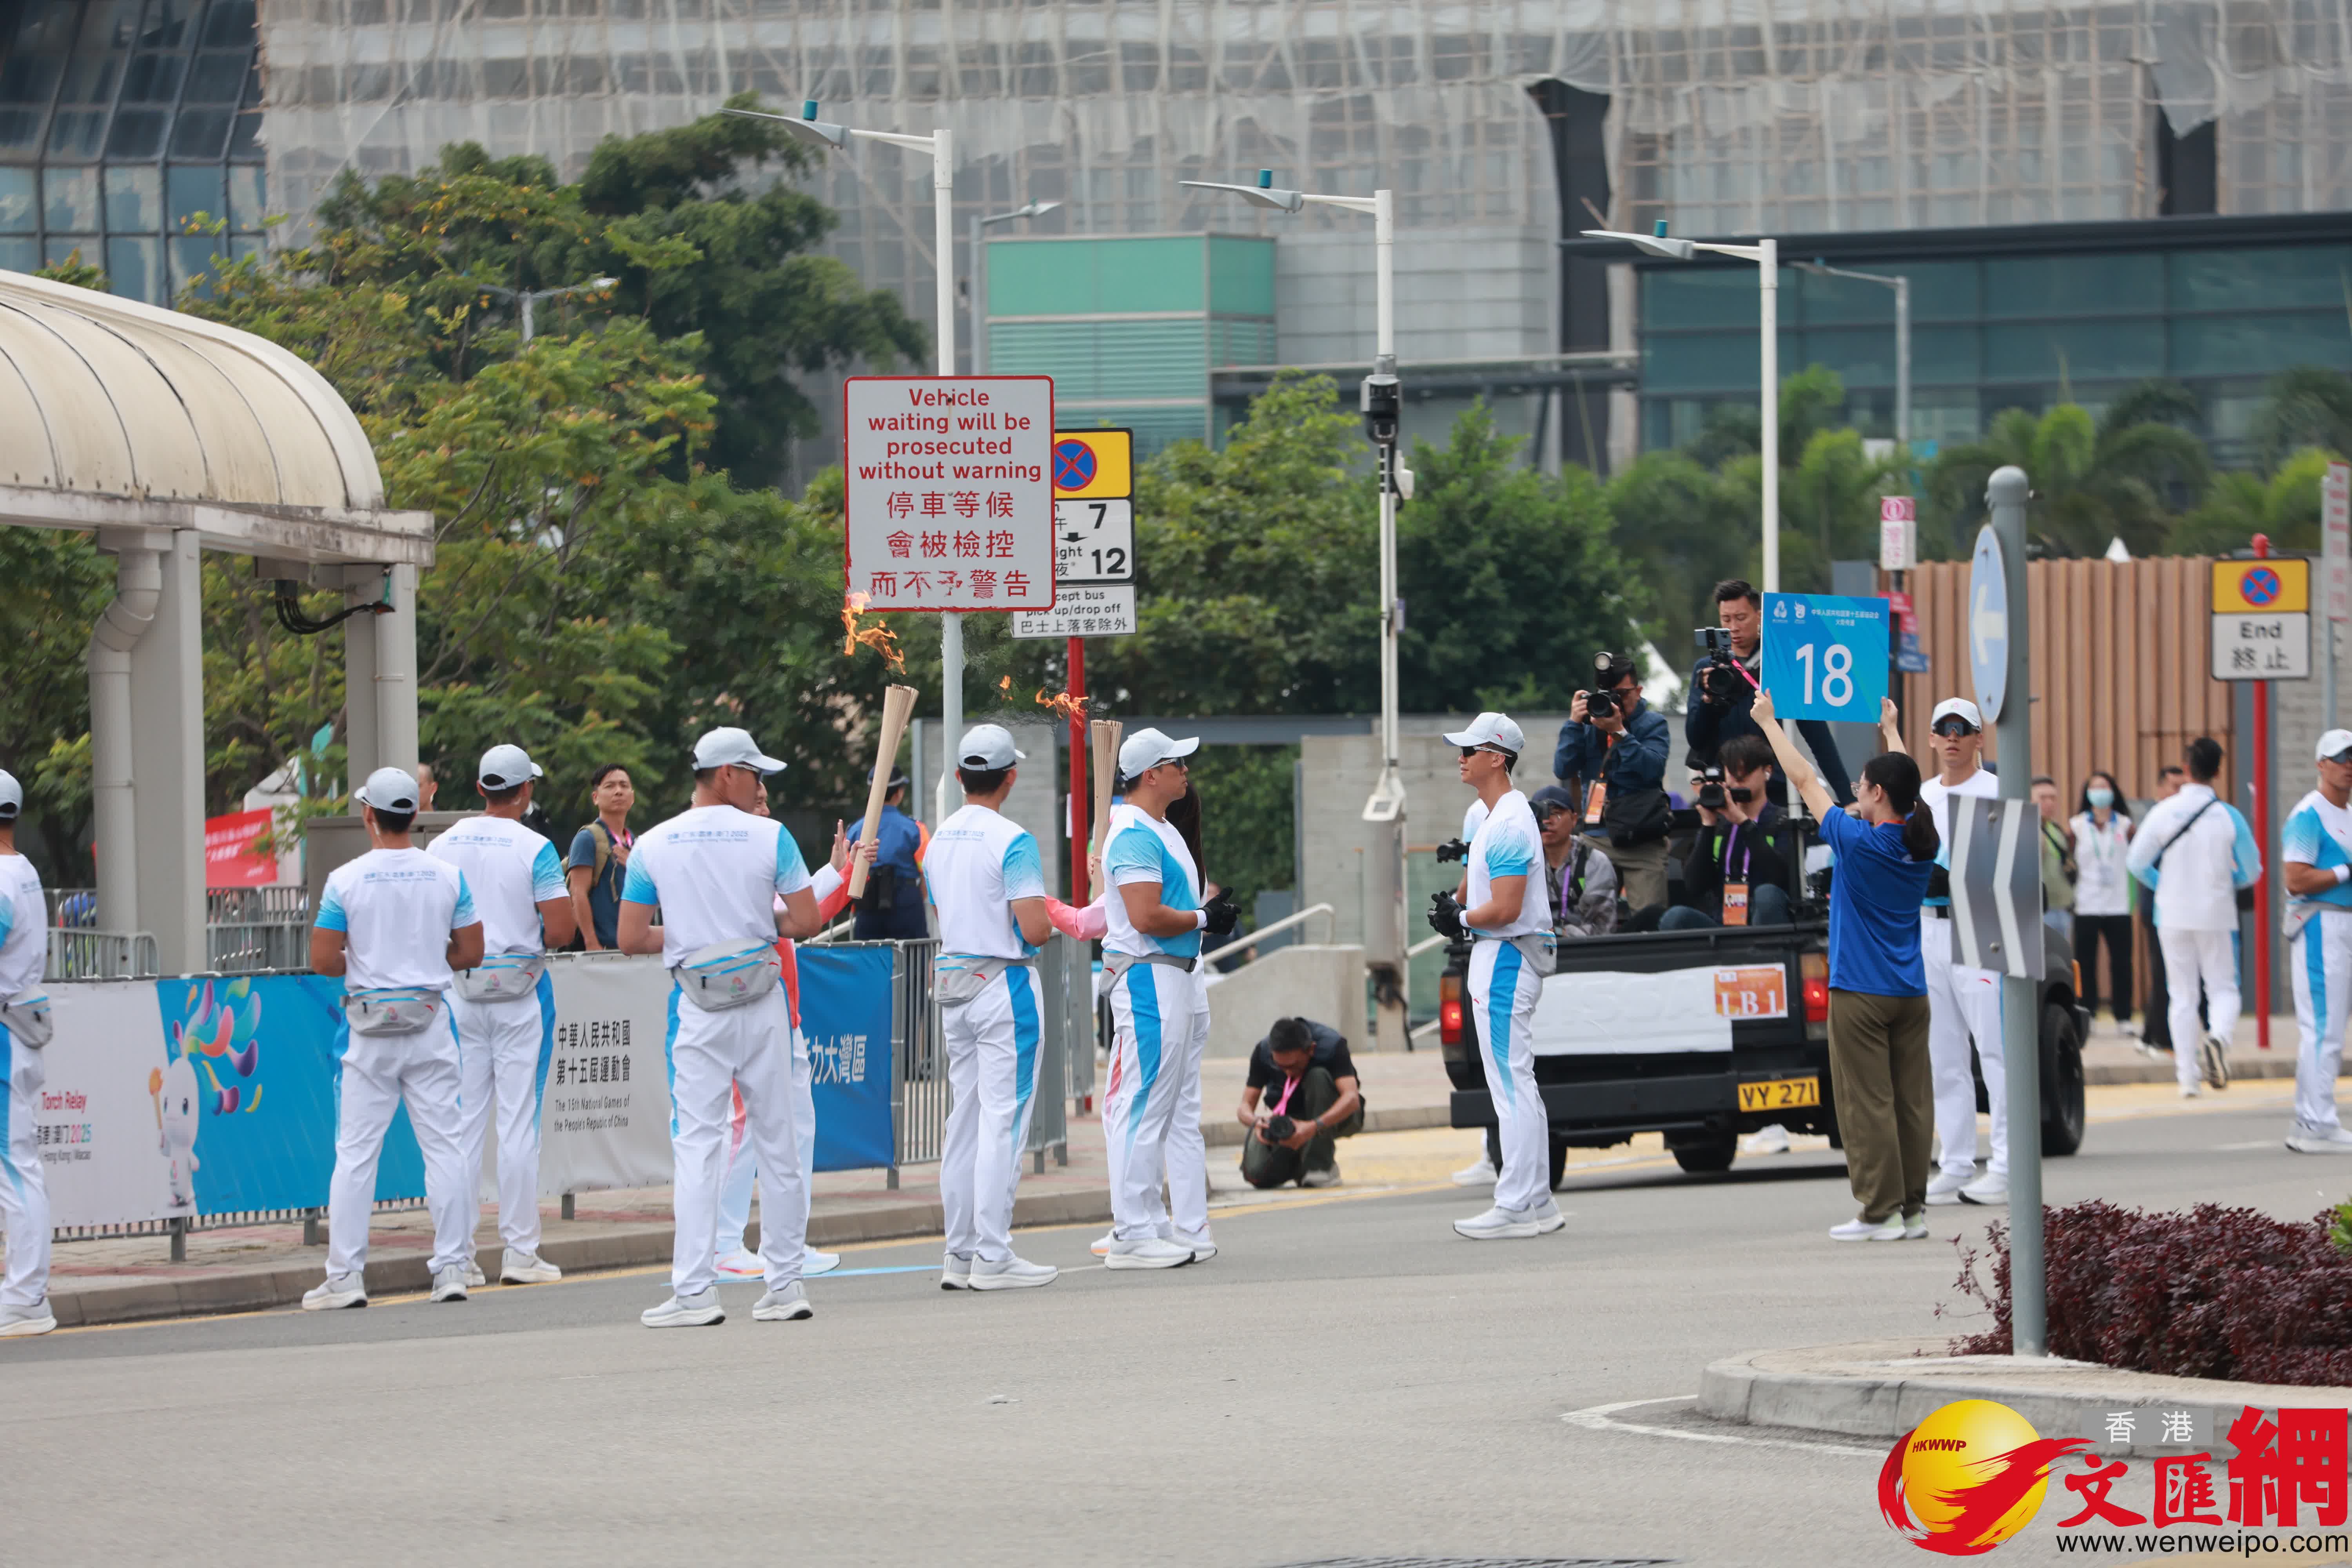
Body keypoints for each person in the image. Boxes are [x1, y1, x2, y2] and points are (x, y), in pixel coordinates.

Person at [619, 726, 824, 1327]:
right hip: (763, 1001)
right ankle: (786, 1286)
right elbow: (806, 920)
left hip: (697, 1006)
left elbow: (631, 937)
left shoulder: (654, 844)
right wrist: (756, 926)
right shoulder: (772, 836)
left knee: (699, 1145)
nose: (762, 784)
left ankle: (694, 1292)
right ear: (728, 773)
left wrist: (689, 938)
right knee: (778, 1142)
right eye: (756, 774)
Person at [1750, 690, 1937, 1242]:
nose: (1854, 790)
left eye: (1861, 784)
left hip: (1860, 990)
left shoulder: (1859, 843)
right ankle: (1913, 1210)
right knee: (1910, 1103)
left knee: (1866, 1105)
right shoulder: (1922, 839)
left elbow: (1805, 779)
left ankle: (1877, 1212)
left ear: (1878, 794)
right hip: (1910, 990)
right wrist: (1892, 734)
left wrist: (1769, 725)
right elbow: (1910, 787)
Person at [303, 767, 485, 1310]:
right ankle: (452, 1266)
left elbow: (322, 961)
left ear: (369, 816)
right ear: (414, 815)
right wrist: (432, 958)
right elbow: (472, 952)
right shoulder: (447, 876)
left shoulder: (346, 880)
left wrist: (359, 957)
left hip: (368, 1033)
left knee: (357, 1155)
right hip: (430, 1023)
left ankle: (346, 1277)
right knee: (446, 1148)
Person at [426, 744, 576, 1288]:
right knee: (517, 1125)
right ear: (526, 790)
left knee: (463, 1128)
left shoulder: (442, 844)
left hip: (461, 994)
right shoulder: (534, 848)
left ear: (482, 786)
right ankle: (520, 1252)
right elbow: (561, 932)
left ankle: (459, 1256)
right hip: (520, 996)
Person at [1099, 728, 1236, 1269]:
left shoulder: (1162, 829)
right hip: (1148, 978)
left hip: (1178, 975)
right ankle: (1131, 1231)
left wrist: (1207, 918)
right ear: (1151, 774)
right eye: (1177, 763)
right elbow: (1146, 917)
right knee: (1140, 1104)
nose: (1187, 770)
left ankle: (1159, 1223)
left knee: (1167, 1107)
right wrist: (1206, 918)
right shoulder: (1133, 833)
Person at [929, 725, 1059, 1290]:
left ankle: (959, 1256)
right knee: (1003, 1122)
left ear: (959, 777)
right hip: (1005, 986)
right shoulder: (1013, 840)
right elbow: (1034, 926)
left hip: (955, 986)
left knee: (966, 1122)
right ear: (1010, 777)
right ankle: (994, 1255)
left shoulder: (936, 840)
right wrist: (1049, 925)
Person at [714, 793, 861, 1281]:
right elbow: (773, 912)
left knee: (797, 1131)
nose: (765, 808)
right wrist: (833, 875)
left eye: (767, 801)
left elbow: (802, 916)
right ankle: (722, 1244)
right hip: (747, 1010)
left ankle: (788, 1244)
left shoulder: (770, 849)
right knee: (745, 1130)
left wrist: (839, 873)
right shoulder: (734, 854)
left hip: (786, 1017)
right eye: (755, 800)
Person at [1433, 711, 1564, 1241]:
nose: (1461, 757)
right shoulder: (1495, 816)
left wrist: (1459, 918)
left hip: (1507, 954)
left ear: (1497, 757)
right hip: (1504, 955)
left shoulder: (1509, 820)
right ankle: (1537, 1201)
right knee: (1519, 1084)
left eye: (1471, 749)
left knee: (1511, 1085)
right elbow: (1480, 892)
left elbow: (1506, 908)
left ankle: (1515, 1205)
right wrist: (1456, 905)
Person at [1905, 696, 2007, 1208]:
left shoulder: (1997, 791)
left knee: (1994, 1049)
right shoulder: (1921, 795)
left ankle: (2008, 1165)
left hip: (1981, 925)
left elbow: (2012, 868)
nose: (1951, 737)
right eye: (1942, 729)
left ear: (1977, 739)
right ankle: (1957, 1162)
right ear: (1930, 738)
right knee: (1944, 1055)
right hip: (1929, 929)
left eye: (1961, 729)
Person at [2127, 737, 2260, 1099]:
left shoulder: (2163, 811)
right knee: (2222, 988)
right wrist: (2226, 881)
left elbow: (2136, 862)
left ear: (2186, 769)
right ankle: (2218, 1038)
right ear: (2218, 771)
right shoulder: (2228, 815)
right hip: (2217, 912)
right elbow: (2253, 871)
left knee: (2181, 994)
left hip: (2170, 913)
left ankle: (2187, 1078)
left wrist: (2164, 882)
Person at [1686, 577, 1855, 804]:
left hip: (1774, 789)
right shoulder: (1708, 669)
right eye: (1726, 619)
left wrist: (1847, 798)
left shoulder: (1783, 665)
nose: (1733, 627)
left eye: (1741, 618)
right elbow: (1695, 739)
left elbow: (1819, 739)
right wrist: (1709, 699)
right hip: (1725, 789)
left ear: (1759, 615)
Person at [1553, 651, 1673, 912]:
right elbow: (1563, 769)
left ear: (1639, 691)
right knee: (1587, 920)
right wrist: (1574, 723)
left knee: (1649, 922)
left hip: (1642, 837)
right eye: (1608, 694)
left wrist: (1619, 732)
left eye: (1622, 695)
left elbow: (1652, 770)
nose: (1614, 703)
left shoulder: (1653, 724)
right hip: (1596, 835)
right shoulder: (1587, 724)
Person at [0, 771, 55, 1336]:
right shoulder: (24, 871)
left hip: (4, 1038)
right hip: (19, 1027)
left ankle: (26, 1296)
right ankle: (23, 1289)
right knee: (16, 1167)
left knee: (16, 1168)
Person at [2282, 730, 2352, 1154]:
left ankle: (2316, 1119)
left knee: (2332, 1028)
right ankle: (2314, 1122)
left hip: (2344, 924)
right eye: (2340, 757)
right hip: (2320, 925)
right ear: (2320, 764)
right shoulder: (2309, 814)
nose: (2348, 764)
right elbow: (2295, 878)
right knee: (2322, 1026)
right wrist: (2345, 871)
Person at [1661, 735, 1795, 931]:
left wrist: (1743, 822)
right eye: (1733, 773)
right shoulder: (1720, 824)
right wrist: (1708, 825)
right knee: (1675, 917)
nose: (1739, 781)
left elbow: (1781, 878)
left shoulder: (1782, 820)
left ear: (1767, 771)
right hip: (1723, 922)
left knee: (1767, 894)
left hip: (1766, 924)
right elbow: (1695, 886)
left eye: (1746, 773)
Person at [1237, 1017, 1364, 1189]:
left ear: (1311, 1050)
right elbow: (1245, 1107)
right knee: (1257, 1174)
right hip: (1291, 1119)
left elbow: (1352, 1099)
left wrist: (1313, 1126)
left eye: (1294, 1066)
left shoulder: (1332, 1046)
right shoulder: (1263, 1052)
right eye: (1281, 1067)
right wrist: (1256, 1122)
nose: (1288, 1073)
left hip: (1332, 1115)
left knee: (1318, 1076)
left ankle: (1320, 1166)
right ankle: (1300, 1167)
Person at [2069, 771, 2135, 1031]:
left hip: (2119, 903)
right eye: (2095, 788)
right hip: (2086, 903)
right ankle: (2089, 1014)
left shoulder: (2125, 825)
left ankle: (2124, 1017)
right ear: (2087, 793)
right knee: (2085, 963)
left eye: (2104, 787)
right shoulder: (2076, 826)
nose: (2100, 792)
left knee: (2122, 962)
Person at [2136, 764, 2188, 1053]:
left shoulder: (2182, 818)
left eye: (2184, 786)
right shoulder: (2157, 820)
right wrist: (2169, 887)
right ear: (2160, 790)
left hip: (2179, 907)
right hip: (2158, 907)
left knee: (2169, 972)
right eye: (2174, 787)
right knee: (2163, 972)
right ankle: (2160, 1038)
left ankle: (2149, 1035)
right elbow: (2141, 864)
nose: (2180, 792)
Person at [848, 768, 929, 941]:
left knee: (868, 961)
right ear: (899, 793)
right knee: (914, 961)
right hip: (906, 903)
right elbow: (927, 873)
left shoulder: (855, 830)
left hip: (867, 903)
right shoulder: (915, 829)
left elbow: (845, 873)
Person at [1530, 784, 1617, 938]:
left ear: (1574, 820)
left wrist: (1561, 933)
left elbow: (1603, 928)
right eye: (1541, 815)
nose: (1548, 822)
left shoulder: (1595, 863)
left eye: (1556, 814)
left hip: (1584, 953)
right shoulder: (1525, 862)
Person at [566, 763, 635, 952]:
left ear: (632, 797)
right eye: (610, 786)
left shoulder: (636, 843)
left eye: (624, 785)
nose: (618, 791)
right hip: (601, 950)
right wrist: (592, 944)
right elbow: (578, 893)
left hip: (633, 948)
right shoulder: (588, 838)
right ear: (596, 798)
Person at [2032, 775, 2077, 943]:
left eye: (2053, 798)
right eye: (2043, 798)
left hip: (2063, 908)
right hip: (2039, 911)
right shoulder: (2025, 828)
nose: (2049, 803)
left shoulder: (2056, 829)